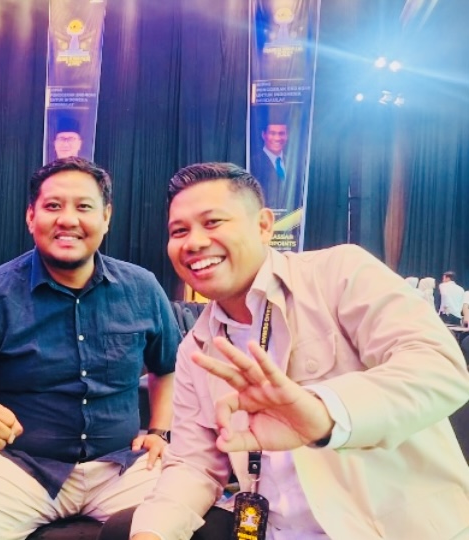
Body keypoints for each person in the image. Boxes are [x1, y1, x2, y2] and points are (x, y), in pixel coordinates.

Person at [121, 162, 469, 539]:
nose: (193, 243)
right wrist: (152, 532)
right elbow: (194, 465)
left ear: (263, 225)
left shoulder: (338, 273)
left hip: (390, 528)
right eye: (179, 231)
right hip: (274, 530)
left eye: (213, 222)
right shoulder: (197, 349)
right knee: (128, 528)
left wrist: (322, 414)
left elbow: (438, 367)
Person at [0, 157, 180, 540]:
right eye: (53, 206)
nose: (68, 219)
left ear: (106, 217)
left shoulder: (142, 289)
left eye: (84, 206)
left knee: (189, 521)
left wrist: (159, 431)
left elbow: (167, 367)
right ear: (31, 217)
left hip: (121, 469)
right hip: (13, 469)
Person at [249, 115, 299, 211]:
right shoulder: (253, 163)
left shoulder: (293, 164)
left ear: (287, 136)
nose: (277, 138)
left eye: (281, 133)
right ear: (264, 135)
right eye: (272, 133)